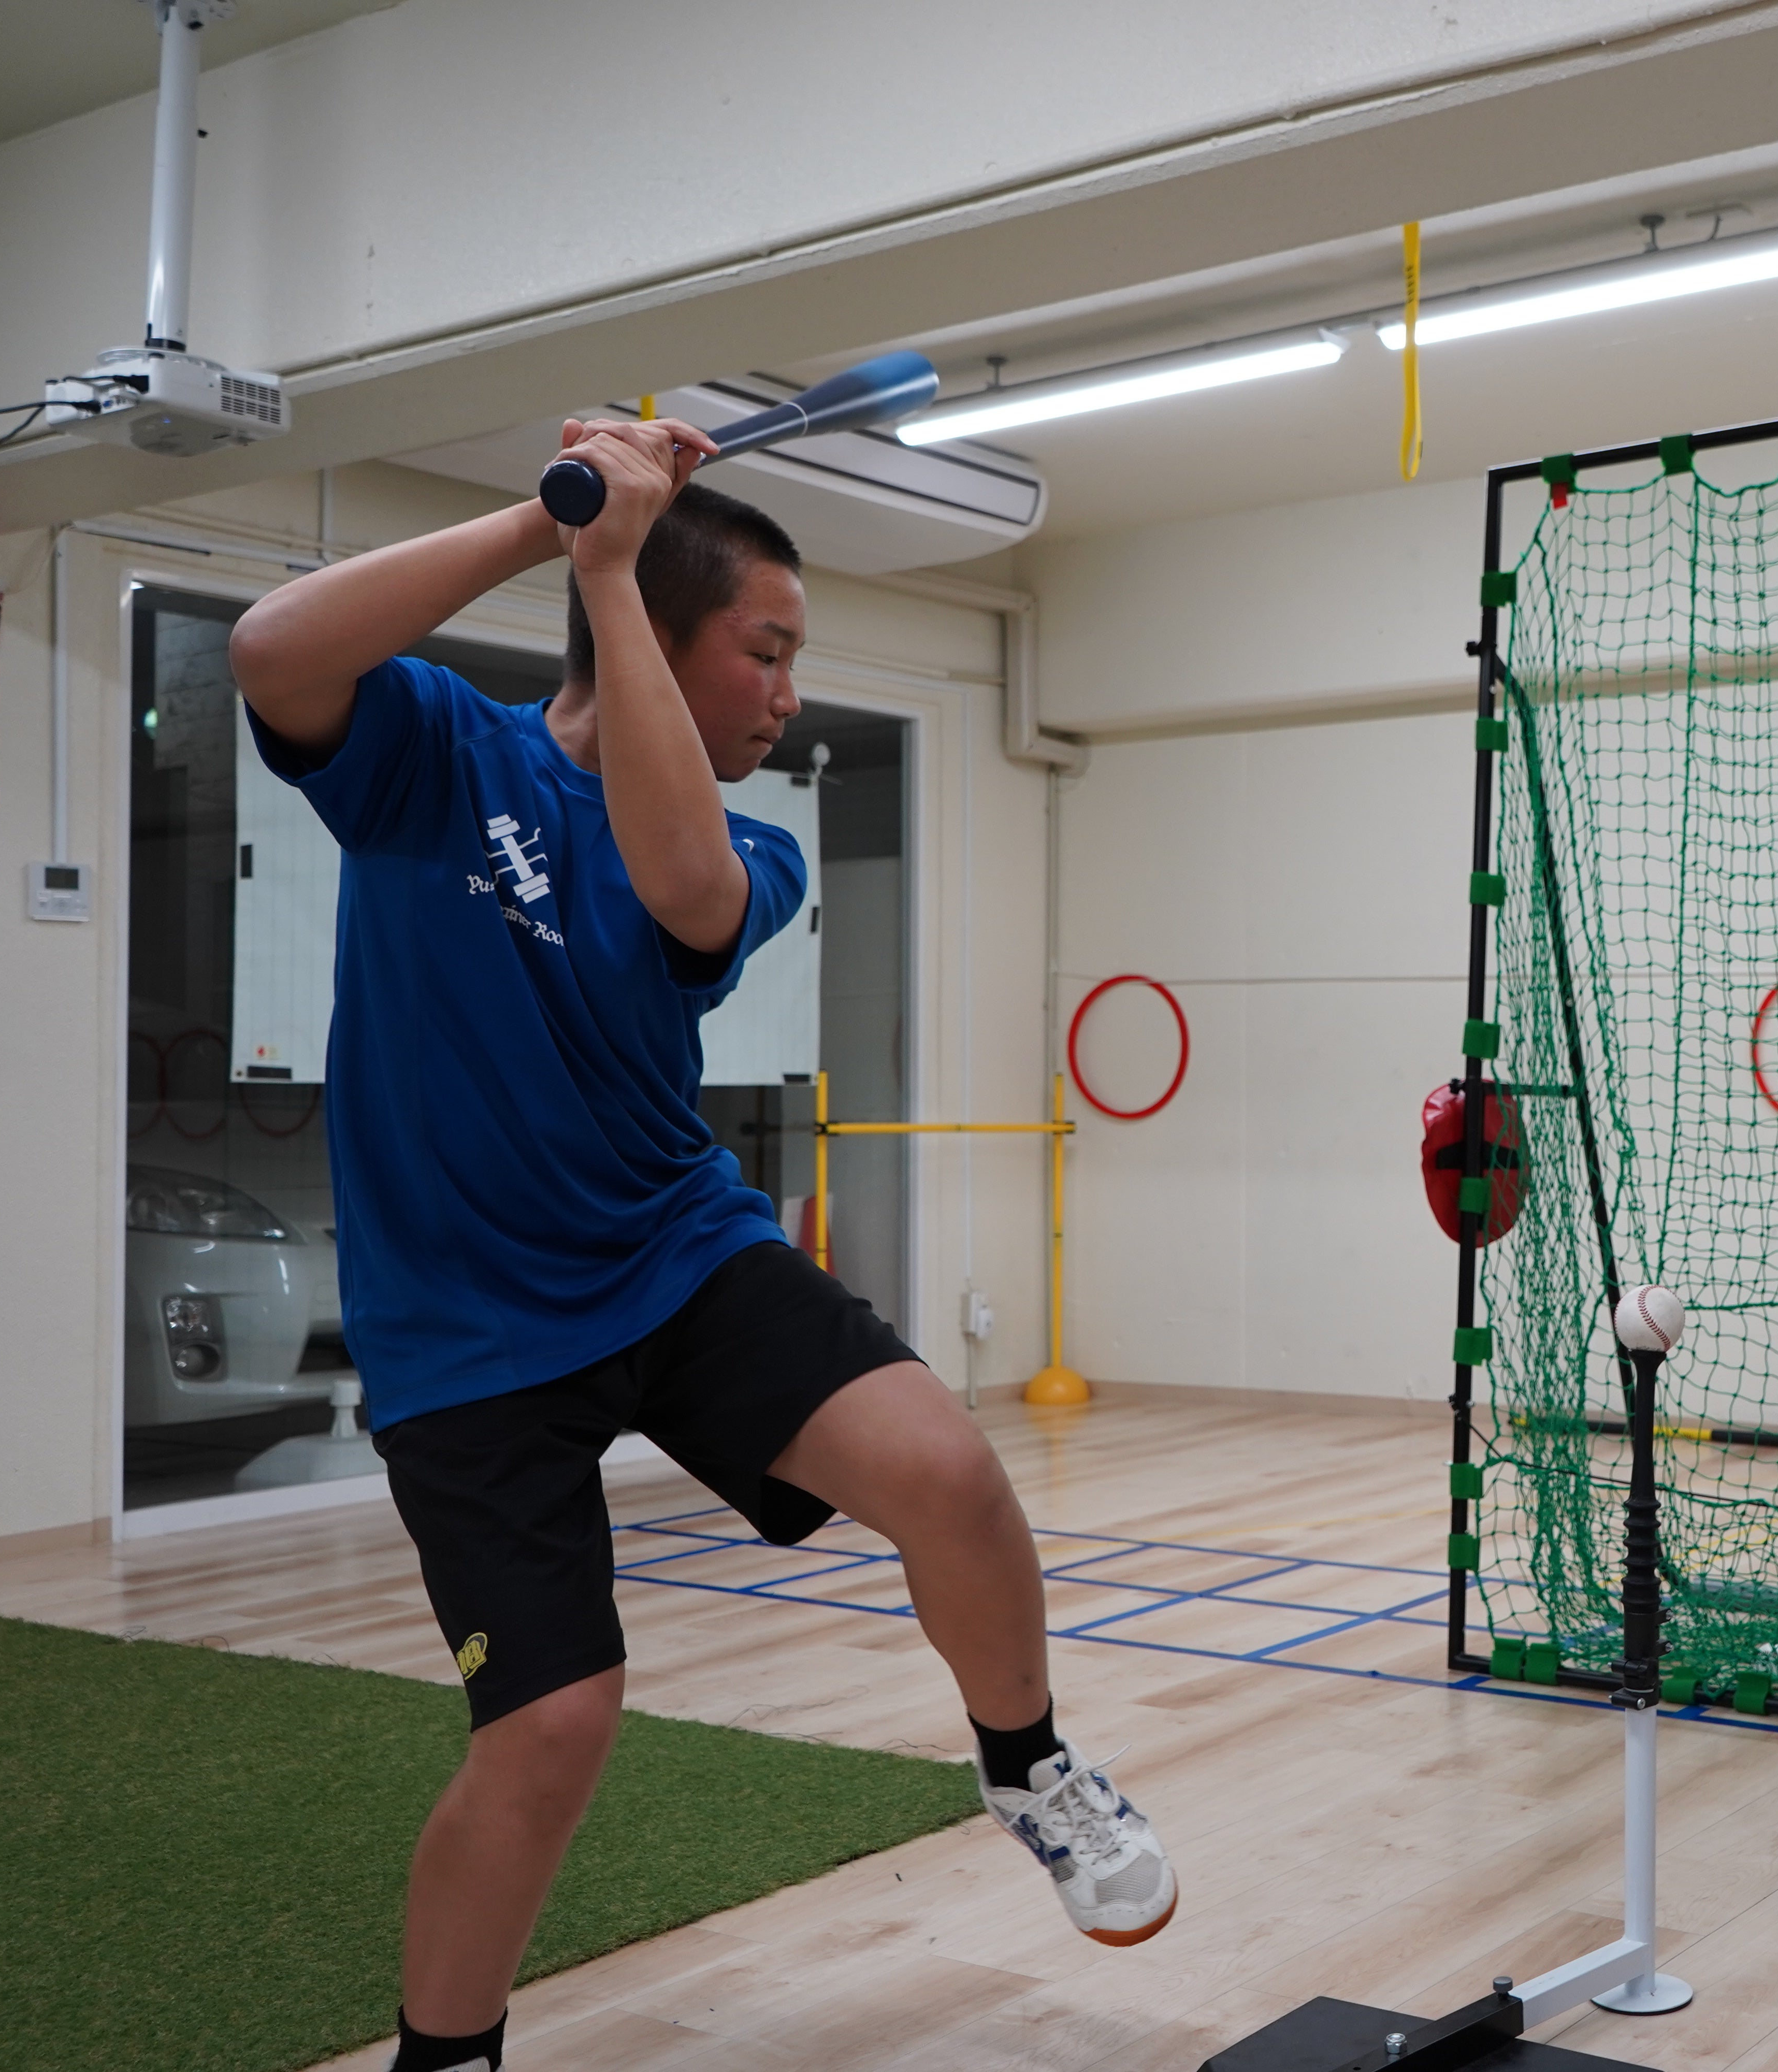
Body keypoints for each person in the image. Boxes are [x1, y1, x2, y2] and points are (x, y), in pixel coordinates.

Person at [230, 416, 1176, 2072]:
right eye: (769, 648)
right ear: (662, 638)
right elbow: (270, 649)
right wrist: (551, 524)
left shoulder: (756, 844)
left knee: (950, 1475)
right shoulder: (433, 751)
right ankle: (447, 2059)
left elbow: (676, 886)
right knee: (551, 1726)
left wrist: (608, 565)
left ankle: (1026, 1761)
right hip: (462, 1325)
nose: (791, 693)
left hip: (671, 1253)